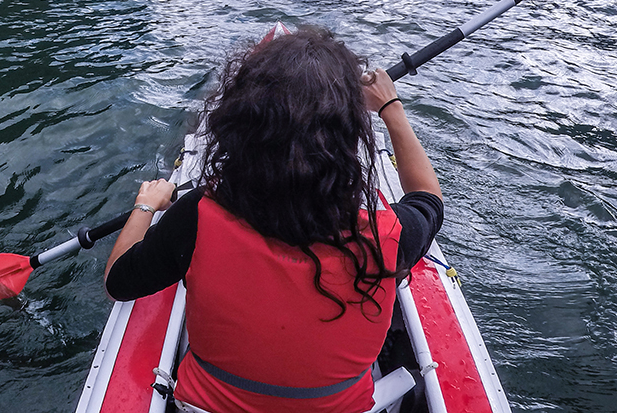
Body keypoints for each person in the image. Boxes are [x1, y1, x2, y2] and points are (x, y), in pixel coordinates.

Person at [104, 26, 444, 413]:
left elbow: (119, 281)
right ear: (349, 137)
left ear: (242, 127)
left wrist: (145, 206)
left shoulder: (198, 214)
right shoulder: (387, 237)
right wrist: (391, 108)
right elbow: (428, 199)